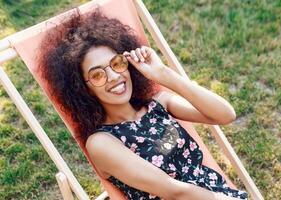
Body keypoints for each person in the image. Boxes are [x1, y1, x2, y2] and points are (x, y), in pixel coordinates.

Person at [38, 8, 248, 200]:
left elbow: (225, 115)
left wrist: (164, 75)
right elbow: (173, 191)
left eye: (117, 63)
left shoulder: (159, 104)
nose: (113, 76)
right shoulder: (102, 142)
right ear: (83, 89)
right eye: (98, 75)